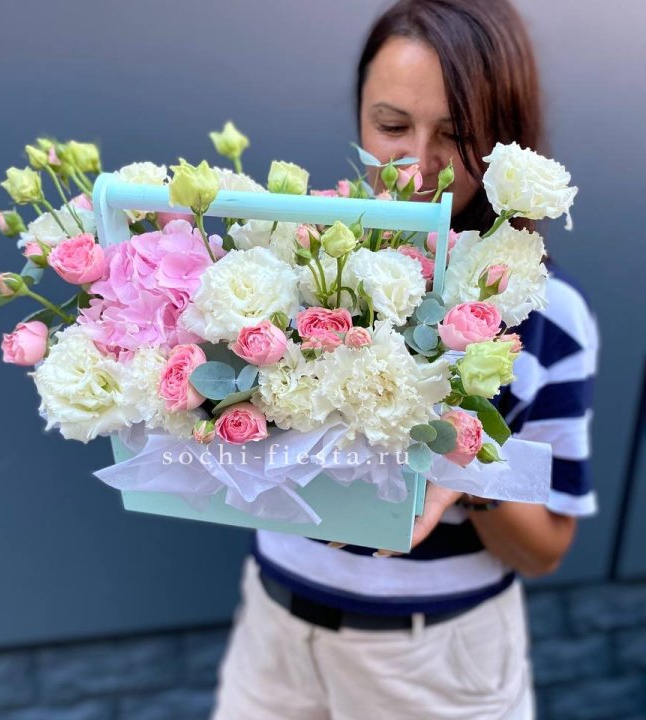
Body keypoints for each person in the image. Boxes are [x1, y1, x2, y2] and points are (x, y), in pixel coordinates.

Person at [210, 1, 599, 718]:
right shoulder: (292, 262)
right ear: (359, 114)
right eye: (391, 127)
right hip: (272, 635)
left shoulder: (550, 314)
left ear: (506, 137)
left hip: (435, 667)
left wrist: (466, 467)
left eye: (457, 135)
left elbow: (545, 550)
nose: (418, 165)